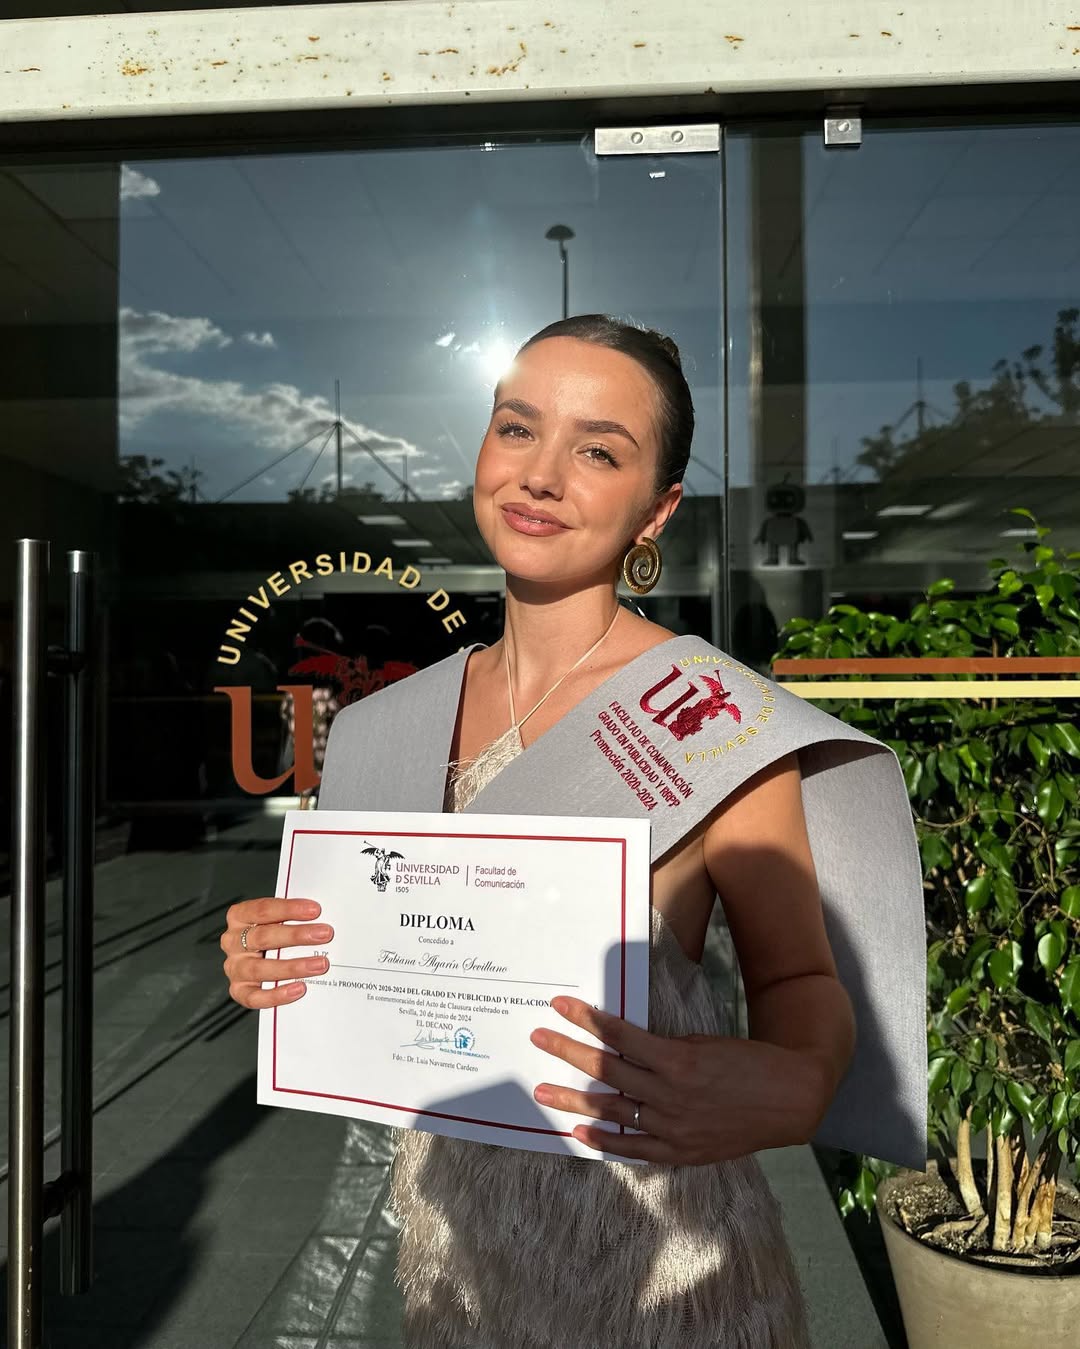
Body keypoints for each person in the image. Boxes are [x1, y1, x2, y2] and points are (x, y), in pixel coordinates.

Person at [219, 316, 873, 1347]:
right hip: (457, 1263)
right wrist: (282, 953)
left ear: (657, 510)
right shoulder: (393, 721)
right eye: (518, 429)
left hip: (670, 1278)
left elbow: (799, 981)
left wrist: (800, 1082)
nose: (542, 474)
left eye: (598, 448)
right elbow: (379, 952)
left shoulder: (709, 717)